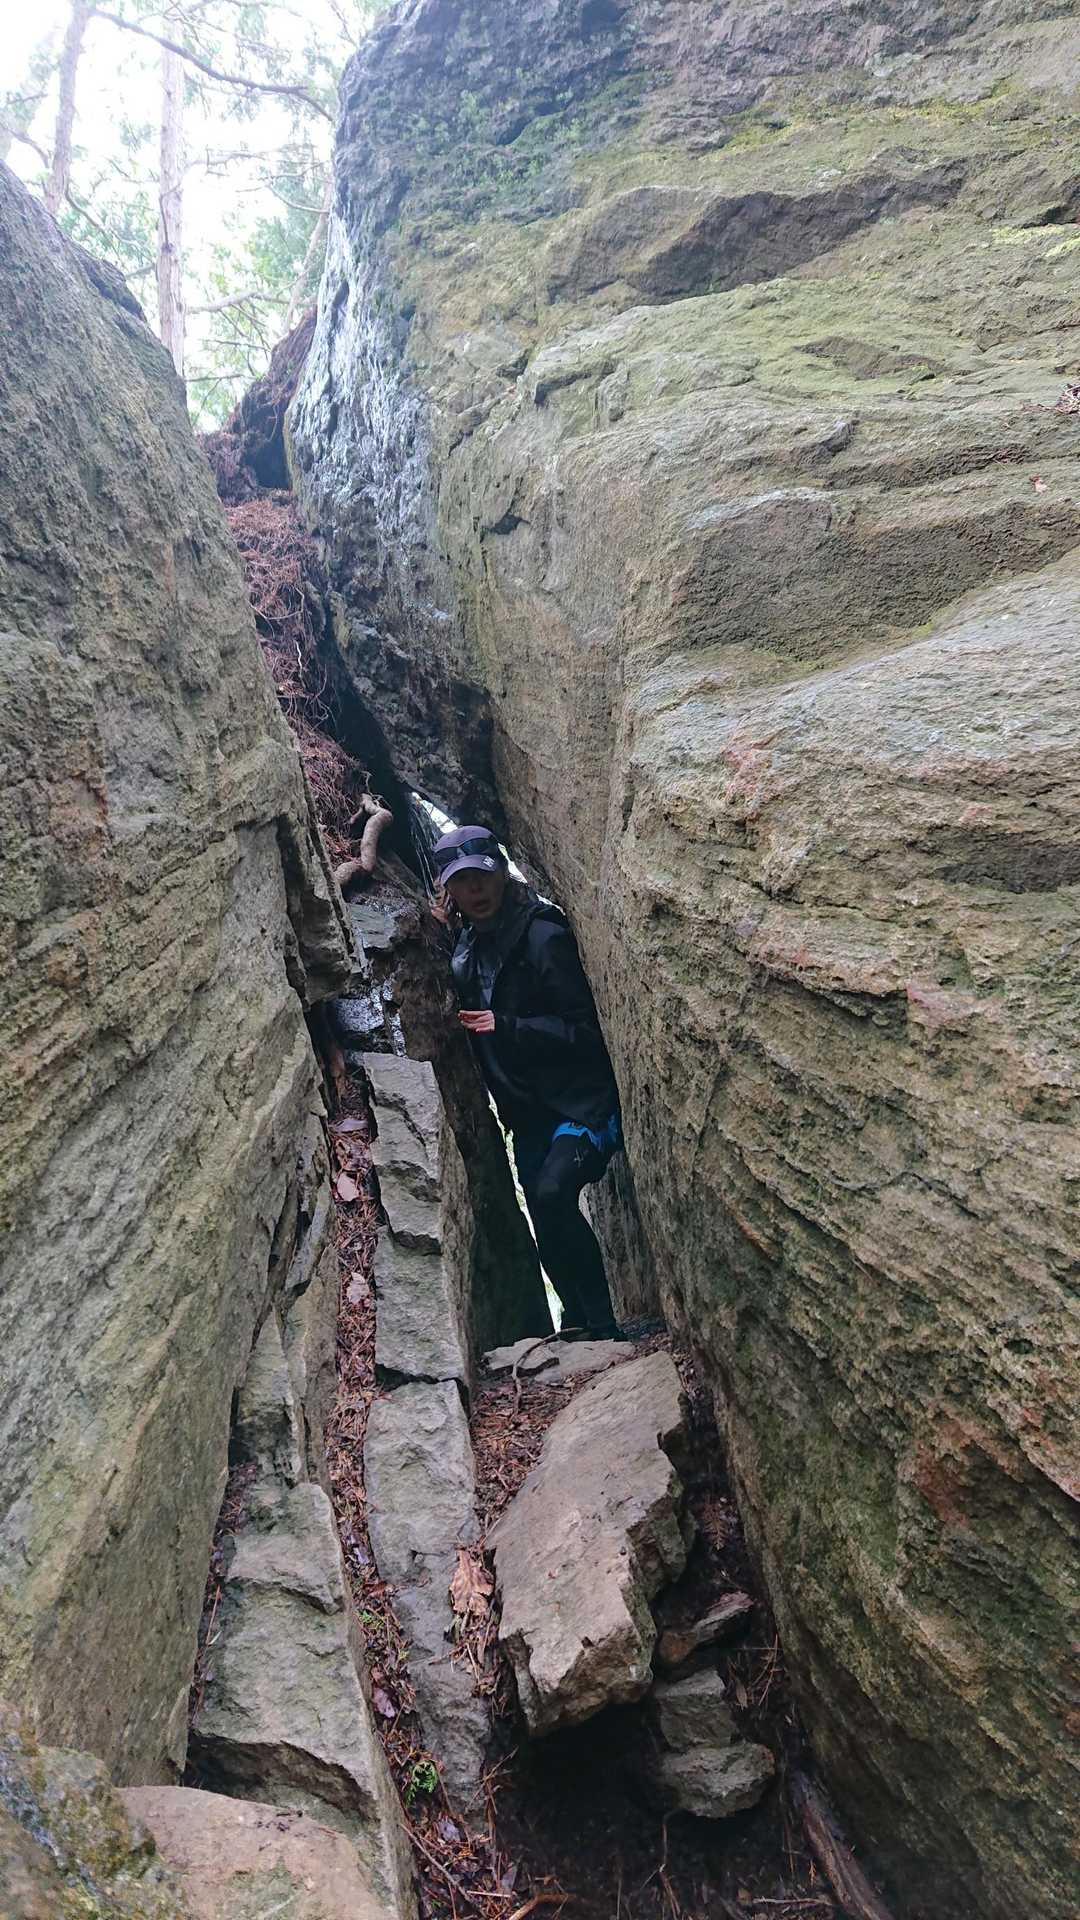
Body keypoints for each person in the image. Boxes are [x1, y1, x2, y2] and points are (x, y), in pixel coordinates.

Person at [432, 823, 624, 1341]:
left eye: (481, 875)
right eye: (460, 881)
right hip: (529, 1112)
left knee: (554, 1192)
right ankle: (577, 1323)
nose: (475, 889)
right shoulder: (466, 948)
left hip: (582, 1104)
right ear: (447, 891)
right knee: (542, 1208)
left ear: (501, 871)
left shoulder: (542, 935)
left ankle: (605, 1326)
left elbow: (586, 1031)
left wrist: (509, 1026)